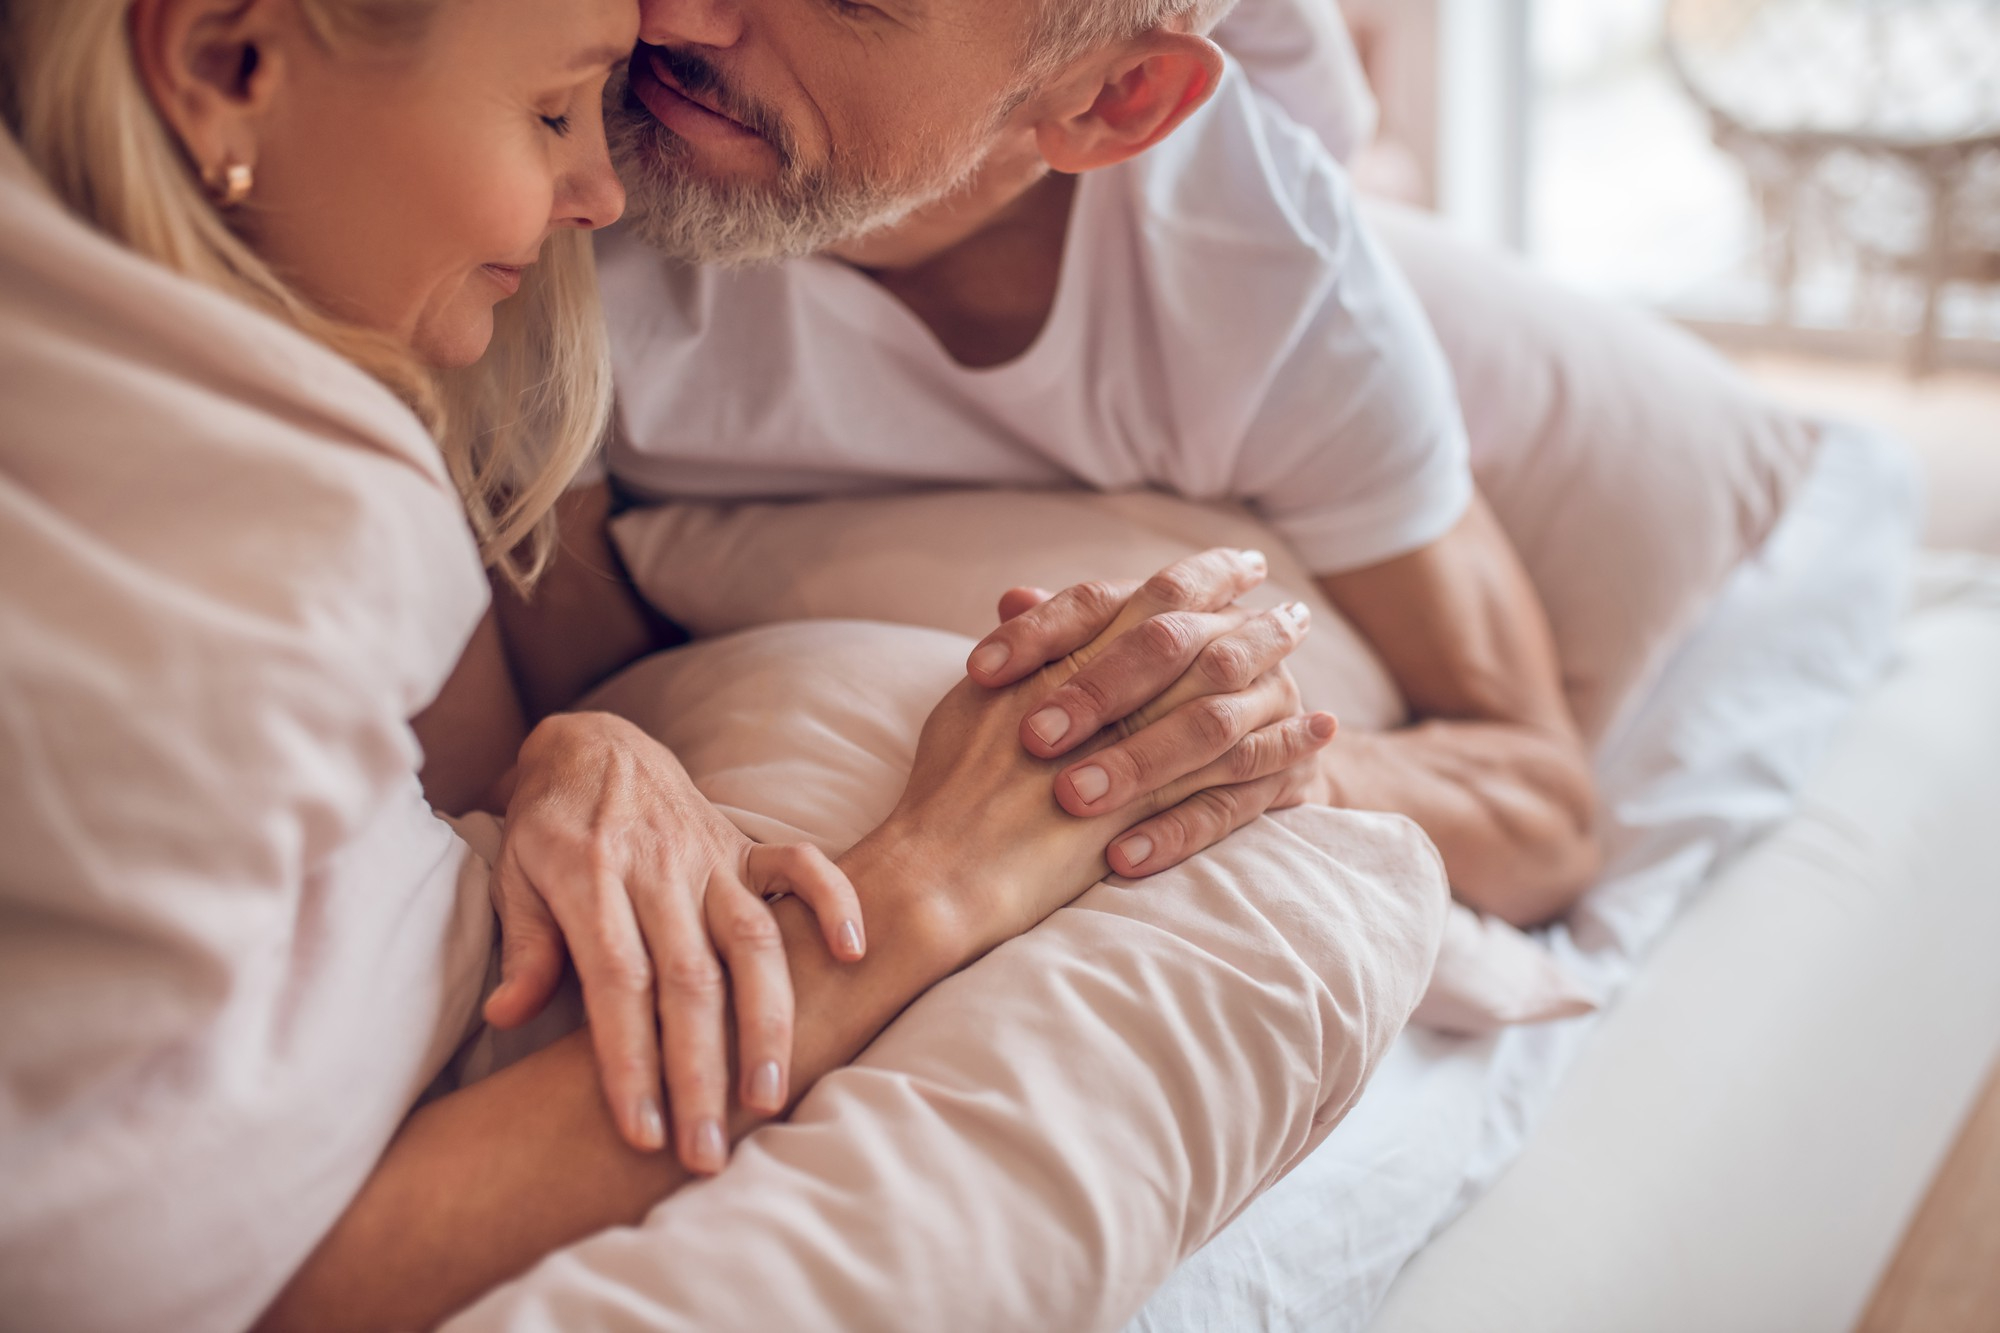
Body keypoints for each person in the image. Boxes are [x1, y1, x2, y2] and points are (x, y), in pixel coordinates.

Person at [0, 0, 1356, 1328]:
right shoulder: (250, 539)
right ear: (224, 57)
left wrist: (584, 747)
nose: (604, 189)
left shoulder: (334, 432)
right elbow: (137, 1290)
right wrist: (929, 886)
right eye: (549, 108)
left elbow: (454, 785)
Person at [579, 0, 1604, 928]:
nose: (672, 15)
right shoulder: (563, 109)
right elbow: (532, 691)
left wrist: (1266, 759)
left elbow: (1544, 815)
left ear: (1115, 100)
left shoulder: (1267, 289)